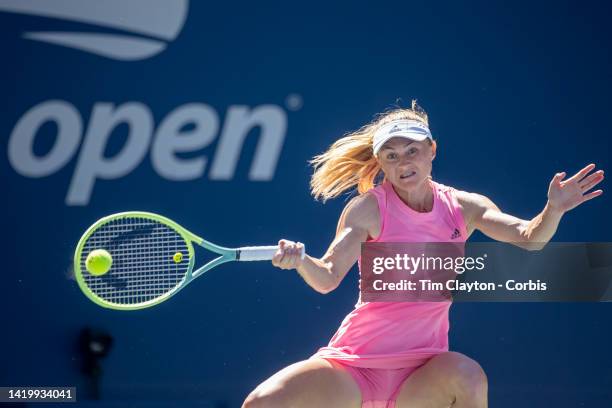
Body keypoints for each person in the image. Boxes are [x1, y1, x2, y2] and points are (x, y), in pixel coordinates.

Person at [242, 101, 604, 408]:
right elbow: (327, 277)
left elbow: (529, 238)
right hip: (354, 368)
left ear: (432, 150)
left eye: (412, 150)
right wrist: (301, 261)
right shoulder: (367, 209)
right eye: (392, 155)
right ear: (381, 162)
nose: (403, 162)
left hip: (421, 375)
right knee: (261, 403)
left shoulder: (464, 207)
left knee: (468, 376)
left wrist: (553, 209)